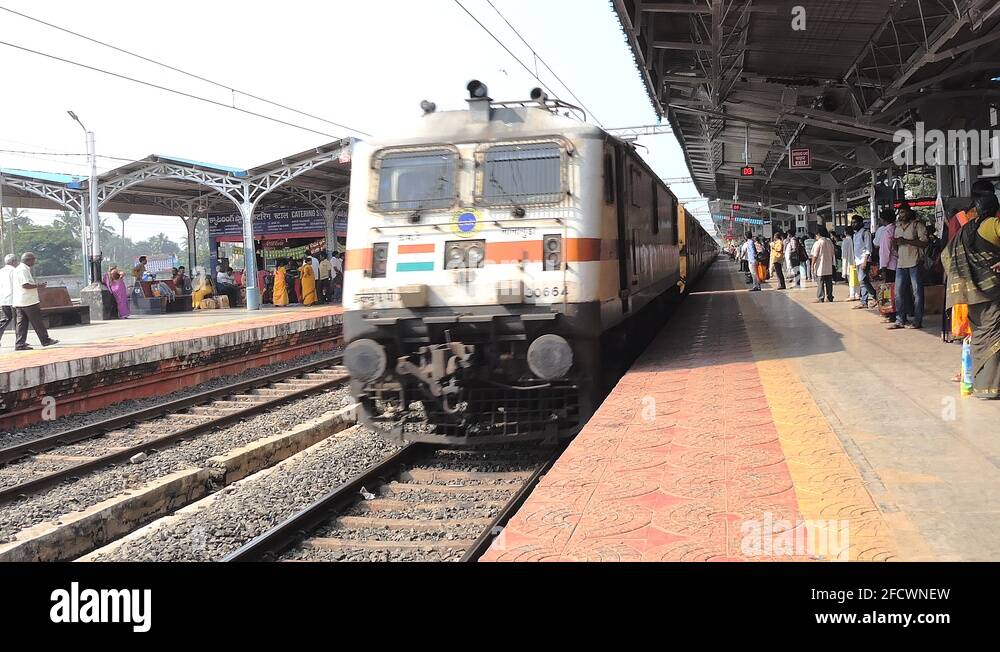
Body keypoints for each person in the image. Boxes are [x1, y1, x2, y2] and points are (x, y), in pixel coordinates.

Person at [943, 192, 1000, 400]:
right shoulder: (993, 224)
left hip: (973, 295)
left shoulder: (966, 229)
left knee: (979, 337)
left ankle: (981, 385)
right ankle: (993, 386)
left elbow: (946, 256)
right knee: (994, 335)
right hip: (993, 291)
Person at [888, 205, 928, 330]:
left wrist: (906, 241)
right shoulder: (897, 226)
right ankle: (900, 319)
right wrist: (895, 244)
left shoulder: (917, 225)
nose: (901, 215)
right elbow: (897, 246)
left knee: (917, 293)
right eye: (900, 213)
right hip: (901, 263)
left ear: (910, 213)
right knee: (898, 293)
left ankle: (917, 320)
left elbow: (925, 242)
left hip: (914, 262)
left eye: (904, 212)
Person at [13, 252, 58, 351]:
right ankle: (45, 340)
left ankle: (20, 344)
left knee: (22, 324)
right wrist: (39, 285)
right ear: (28, 260)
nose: (34, 261)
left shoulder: (19, 269)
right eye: (33, 259)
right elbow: (25, 285)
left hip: (20, 301)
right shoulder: (23, 270)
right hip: (28, 301)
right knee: (37, 322)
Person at [851, 215, 876, 309]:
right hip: (858, 261)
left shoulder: (866, 233)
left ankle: (874, 296)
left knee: (863, 280)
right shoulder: (855, 234)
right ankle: (864, 301)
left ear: (861, 223)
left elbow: (868, 248)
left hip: (864, 260)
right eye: (852, 223)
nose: (853, 224)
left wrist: (865, 261)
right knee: (863, 281)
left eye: (855, 222)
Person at [811, 226, 836, 303]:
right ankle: (830, 297)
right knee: (829, 283)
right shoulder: (829, 241)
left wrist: (812, 265)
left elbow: (815, 255)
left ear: (818, 234)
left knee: (820, 282)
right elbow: (833, 253)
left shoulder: (818, 243)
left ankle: (820, 297)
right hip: (828, 265)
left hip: (820, 266)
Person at [0, 254, 17, 345]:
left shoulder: (1, 271)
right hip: (14, 299)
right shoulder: (15, 271)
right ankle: (20, 341)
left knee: (5, 319)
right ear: (13, 261)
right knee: (19, 320)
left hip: (3, 299)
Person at [842, 223, 858, 300]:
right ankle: (857, 294)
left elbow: (844, 255)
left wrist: (843, 268)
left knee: (850, 279)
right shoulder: (855, 238)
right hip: (857, 261)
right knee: (857, 279)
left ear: (845, 232)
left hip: (849, 262)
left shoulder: (845, 241)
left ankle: (852, 295)